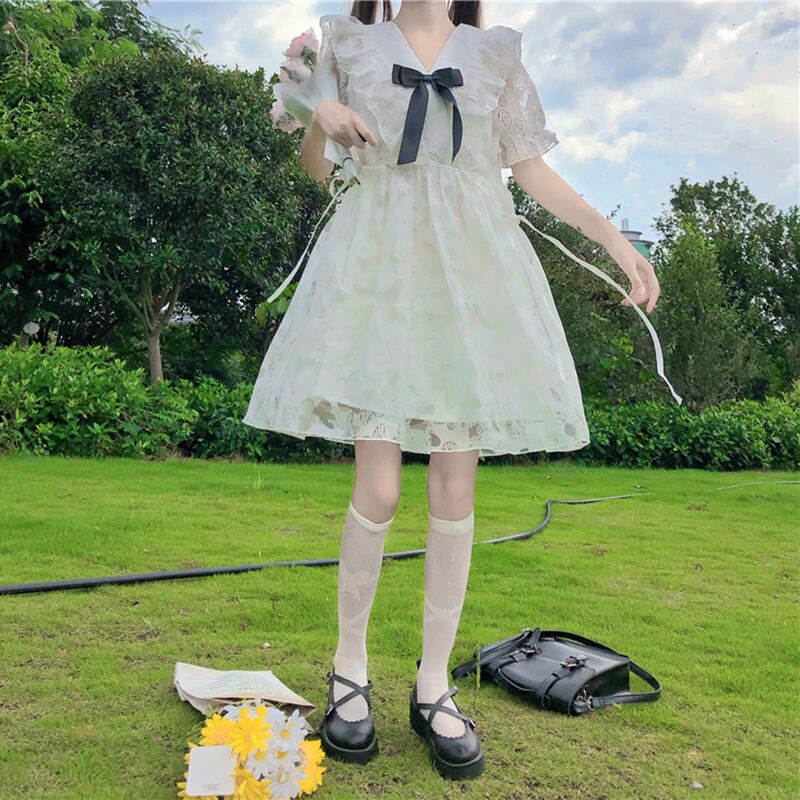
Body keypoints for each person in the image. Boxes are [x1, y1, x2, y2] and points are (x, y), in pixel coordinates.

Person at [243, 0, 667, 781]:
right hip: (378, 276)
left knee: (454, 487)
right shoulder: (349, 44)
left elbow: (530, 168)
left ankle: (433, 683)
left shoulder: (495, 54)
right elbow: (316, 169)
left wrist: (616, 241)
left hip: (470, 282)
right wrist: (319, 115)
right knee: (377, 486)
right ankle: (348, 668)